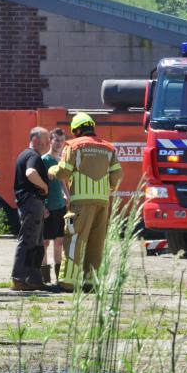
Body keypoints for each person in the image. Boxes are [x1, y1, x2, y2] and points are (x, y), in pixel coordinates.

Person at [49, 113, 122, 291]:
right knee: (96, 244)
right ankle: (91, 284)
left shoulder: (74, 146)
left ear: (77, 130)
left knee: (74, 240)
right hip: (102, 203)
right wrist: (108, 189)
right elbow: (117, 176)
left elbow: (63, 173)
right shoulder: (108, 147)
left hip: (81, 203)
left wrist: (52, 170)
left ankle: (67, 283)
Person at [11, 127, 55, 291]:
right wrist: (44, 186)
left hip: (33, 203)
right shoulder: (33, 156)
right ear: (35, 140)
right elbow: (30, 173)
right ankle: (18, 278)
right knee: (28, 240)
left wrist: (42, 203)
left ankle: (34, 279)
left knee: (36, 243)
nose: (48, 143)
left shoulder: (25, 154)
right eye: (46, 139)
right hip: (31, 203)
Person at [40, 128, 68, 285]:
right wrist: (43, 205)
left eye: (61, 140)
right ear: (50, 141)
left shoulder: (61, 160)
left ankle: (59, 278)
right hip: (48, 207)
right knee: (45, 242)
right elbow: (41, 184)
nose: (59, 143)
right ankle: (45, 278)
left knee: (59, 242)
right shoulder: (44, 160)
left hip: (60, 207)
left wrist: (67, 197)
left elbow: (62, 181)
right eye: (56, 140)